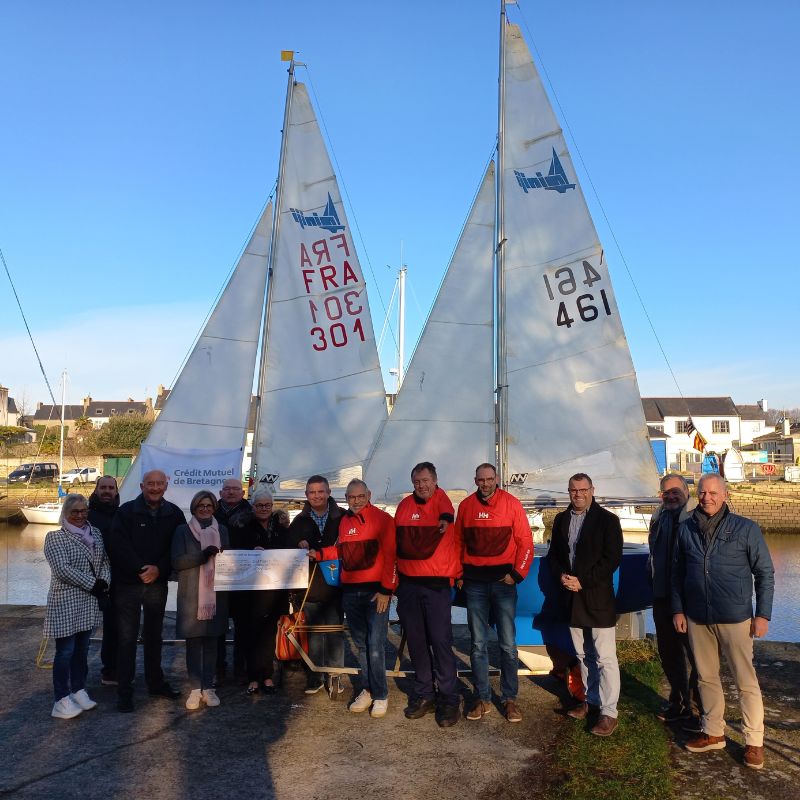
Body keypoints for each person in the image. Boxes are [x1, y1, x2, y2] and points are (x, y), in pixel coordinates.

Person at [672, 473, 775, 770]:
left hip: (736, 617)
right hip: (697, 616)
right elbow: (678, 574)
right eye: (703, 492)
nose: (707, 497)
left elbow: (765, 574)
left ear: (725, 495)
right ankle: (713, 731)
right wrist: (678, 610)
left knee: (745, 681)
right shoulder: (686, 528)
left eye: (713, 493)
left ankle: (754, 741)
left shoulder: (746, 529)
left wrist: (763, 614)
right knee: (705, 676)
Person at [313, 479, 396, 718]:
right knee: (361, 645)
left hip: (376, 593)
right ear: (346, 499)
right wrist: (317, 553)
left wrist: (386, 590)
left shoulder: (383, 520)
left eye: (360, 496)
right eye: (351, 497)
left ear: (368, 495)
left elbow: (392, 558)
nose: (356, 501)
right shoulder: (345, 521)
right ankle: (368, 689)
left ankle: (381, 695)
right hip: (351, 591)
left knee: (376, 645)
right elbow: (339, 551)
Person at [456, 463, 533, 723]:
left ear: (496, 479)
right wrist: (457, 575)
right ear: (475, 480)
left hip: (503, 584)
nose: (486, 484)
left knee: (508, 645)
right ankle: (483, 698)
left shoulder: (511, 504)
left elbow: (525, 542)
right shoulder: (466, 507)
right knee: (478, 645)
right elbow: (457, 543)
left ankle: (509, 699)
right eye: (481, 480)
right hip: (475, 584)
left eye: (490, 479)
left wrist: (517, 575)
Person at [549, 472, 623, 737]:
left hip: (597, 597)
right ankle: (590, 701)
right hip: (571, 598)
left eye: (582, 490)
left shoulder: (608, 521)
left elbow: (612, 559)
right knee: (582, 655)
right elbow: (554, 555)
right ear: (568, 492)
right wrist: (561, 575)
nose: (577, 495)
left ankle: (608, 711)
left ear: (592, 490)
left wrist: (584, 581)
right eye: (573, 490)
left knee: (605, 657)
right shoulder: (561, 520)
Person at [107, 469, 185, 712]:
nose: (154, 488)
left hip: (156, 584)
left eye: (159, 484)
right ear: (142, 486)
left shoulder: (174, 513)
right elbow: (117, 545)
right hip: (128, 583)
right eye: (150, 484)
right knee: (127, 639)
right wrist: (141, 568)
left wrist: (159, 569)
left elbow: (178, 547)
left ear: (165, 485)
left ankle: (155, 682)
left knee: (154, 636)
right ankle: (124, 691)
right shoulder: (126, 511)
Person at [394, 461, 461, 728]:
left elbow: (446, 510)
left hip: (436, 585)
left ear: (435, 481)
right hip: (409, 584)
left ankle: (449, 698)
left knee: (441, 642)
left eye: (426, 481)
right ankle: (425, 693)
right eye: (417, 482)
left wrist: (444, 519)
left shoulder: (442, 502)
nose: (422, 486)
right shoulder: (404, 507)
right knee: (417, 643)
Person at [44, 493, 111, 719]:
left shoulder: (97, 534)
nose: (80, 515)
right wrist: (94, 584)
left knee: (82, 650)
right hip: (65, 602)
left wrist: (104, 582)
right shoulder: (54, 537)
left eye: (84, 511)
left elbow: (104, 562)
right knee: (65, 652)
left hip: (88, 602)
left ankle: (78, 689)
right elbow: (62, 569)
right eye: (75, 512)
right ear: (66, 513)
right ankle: (60, 699)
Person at [647, 474, 702, 732]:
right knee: (669, 654)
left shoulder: (695, 518)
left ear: (687, 492)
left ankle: (698, 708)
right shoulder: (658, 518)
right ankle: (679, 703)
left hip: (690, 599)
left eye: (675, 492)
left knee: (697, 656)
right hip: (662, 597)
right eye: (666, 493)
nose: (670, 497)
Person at [287, 475, 345, 698]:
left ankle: (335, 673)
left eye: (321, 491)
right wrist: (296, 543)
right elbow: (288, 546)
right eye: (312, 492)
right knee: (312, 633)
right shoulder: (299, 521)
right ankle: (315, 673)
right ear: (306, 495)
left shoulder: (342, 517)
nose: (317, 496)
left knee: (334, 631)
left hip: (336, 584)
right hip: (308, 585)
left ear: (329, 492)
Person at [229, 487, 290, 696]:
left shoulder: (281, 528)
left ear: (272, 507)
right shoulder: (242, 527)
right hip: (249, 594)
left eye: (267, 505)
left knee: (268, 635)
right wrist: (250, 552)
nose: (263, 508)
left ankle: (267, 675)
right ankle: (253, 678)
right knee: (249, 636)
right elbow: (233, 555)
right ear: (252, 506)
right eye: (259, 505)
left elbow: (289, 554)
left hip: (274, 592)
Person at [172, 491, 229, 710]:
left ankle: (209, 687)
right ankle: (195, 688)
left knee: (212, 642)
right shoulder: (182, 531)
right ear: (194, 508)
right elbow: (177, 561)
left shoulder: (222, 530)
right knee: (194, 643)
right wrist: (202, 556)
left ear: (214, 507)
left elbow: (229, 560)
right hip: (191, 595)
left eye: (209, 505)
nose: (205, 509)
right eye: (201, 505)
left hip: (216, 594)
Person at [213, 478, 253, 684]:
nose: (230, 492)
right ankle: (219, 666)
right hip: (217, 577)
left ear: (242, 492)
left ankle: (240, 666)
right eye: (226, 489)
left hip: (244, 577)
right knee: (218, 624)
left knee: (243, 625)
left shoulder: (252, 513)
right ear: (220, 492)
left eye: (234, 489)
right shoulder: (210, 511)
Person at [88, 475, 120, 686]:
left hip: (116, 579)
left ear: (116, 491)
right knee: (81, 627)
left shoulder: (123, 514)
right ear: (96, 490)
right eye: (103, 487)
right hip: (89, 579)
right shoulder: (86, 514)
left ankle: (110, 670)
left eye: (111, 488)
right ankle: (76, 677)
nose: (107, 491)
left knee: (114, 627)